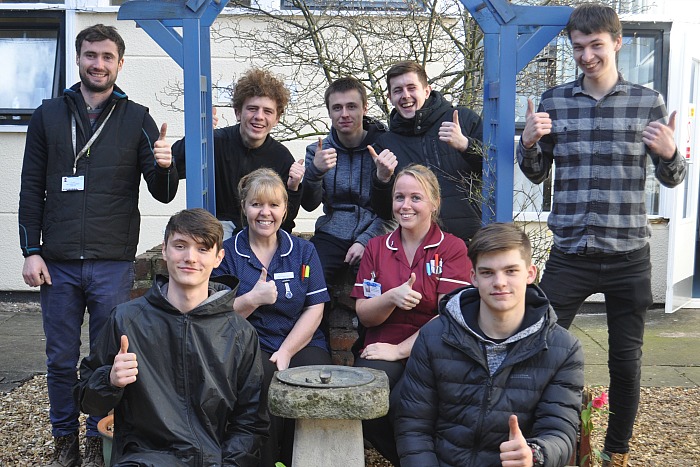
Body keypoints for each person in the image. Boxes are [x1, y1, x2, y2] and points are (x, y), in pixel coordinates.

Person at [517, 4, 686, 465]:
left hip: (628, 254)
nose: (586, 55)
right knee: (539, 346)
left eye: (595, 45)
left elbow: (672, 179)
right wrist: (528, 143)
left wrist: (672, 154)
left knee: (625, 363)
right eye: (578, 47)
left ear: (617, 42)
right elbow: (534, 174)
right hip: (570, 252)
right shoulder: (555, 100)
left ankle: (616, 452)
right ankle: (540, 443)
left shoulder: (646, 101)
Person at [18, 24, 179, 467]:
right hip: (58, 262)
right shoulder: (47, 115)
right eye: (91, 55)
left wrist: (167, 164)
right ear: (78, 59)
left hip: (111, 261)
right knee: (59, 359)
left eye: (108, 57)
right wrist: (31, 250)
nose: (99, 64)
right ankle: (64, 444)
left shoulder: (137, 117)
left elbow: (162, 190)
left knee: (108, 357)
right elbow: (31, 188)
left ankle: (96, 439)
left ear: (120, 64)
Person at [78, 208, 267, 467]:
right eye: (180, 245)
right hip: (142, 460)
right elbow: (87, 400)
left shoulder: (240, 334)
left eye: (202, 249)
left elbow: (250, 423)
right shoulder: (126, 320)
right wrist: (110, 380)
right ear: (165, 250)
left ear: (218, 257)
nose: (190, 257)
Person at [393, 222, 584, 467]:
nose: (500, 282)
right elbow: (413, 426)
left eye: (511, 271)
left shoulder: (563, 349)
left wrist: (534, 454)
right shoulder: (434, 336)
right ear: (473, 277)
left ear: (530, 273)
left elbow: (560, 431)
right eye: (487, 272)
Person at [351, 164, 471, 466]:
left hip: (433, 348)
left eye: (416, 198)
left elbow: (450, 315)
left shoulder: (453, 248)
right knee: (362, 402)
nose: (406, 206)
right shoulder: (377, 247)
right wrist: (390, 297)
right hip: (379, 344)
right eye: (399, 197)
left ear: (434, 203)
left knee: (403, 405)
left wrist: (400, 350)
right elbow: (365, 315)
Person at [212, 168, 331, 467]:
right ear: (244, 207)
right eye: (256, 204)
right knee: (261, 383)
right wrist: (253, 299)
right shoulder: (226, 254)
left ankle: (300, 460)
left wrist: (288, 351)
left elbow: (315, 307)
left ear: (285, 209)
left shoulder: (303, 251)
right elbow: (214, 314)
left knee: (313, 380)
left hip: (301, 341)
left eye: (274, 205)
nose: (265, 213)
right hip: (251, 342)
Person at [172, 68, 303, 238]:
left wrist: (294, 189)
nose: (259, 116)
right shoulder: (215, 142)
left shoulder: (281, 157)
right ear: (238, 112)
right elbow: (174, 167)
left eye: (268, 111)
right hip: (218, 232)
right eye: (252, 109)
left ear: (277, 119)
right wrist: (196, 136)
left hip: (260, 234)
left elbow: (285, 219)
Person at [370, 60, 484, 246]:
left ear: (426, 90)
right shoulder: (386, 144)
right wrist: (382, 180)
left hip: (472, 241)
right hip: (419, 247)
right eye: (398, 90)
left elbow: (497, 171)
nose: (405, 96)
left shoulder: (462, 119)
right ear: (390, 97)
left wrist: (466, 145)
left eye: (411, 87)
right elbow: (384, 212)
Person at [301, 77, 397, 283]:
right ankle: (316, 316)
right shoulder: (317, 151)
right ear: (329, 112)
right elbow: (309, 205)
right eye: (337, 108)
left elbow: (394, 212)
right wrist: (315, 172)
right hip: (332, 231)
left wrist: (365, 241)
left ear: (364, 108)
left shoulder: (387, 148)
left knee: (376, 280)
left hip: (378, 231)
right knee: (309, 276)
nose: (344, 114)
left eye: (351, 106)